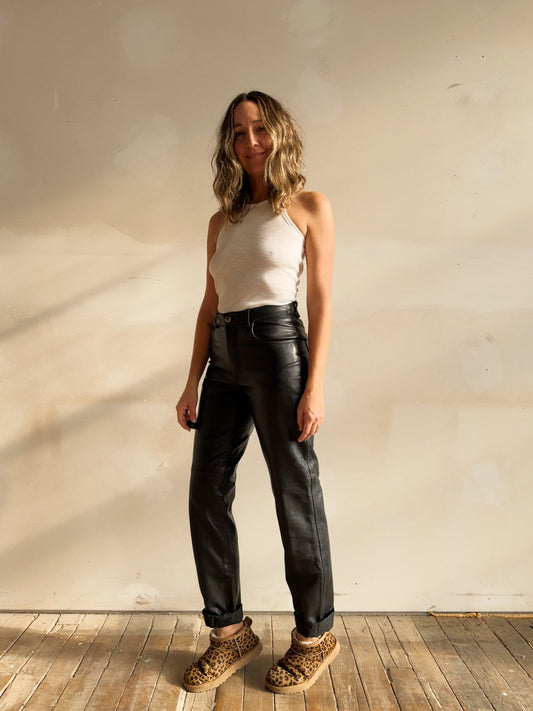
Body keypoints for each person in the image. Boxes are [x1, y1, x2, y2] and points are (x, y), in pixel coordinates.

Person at [176, 90, 338, 695]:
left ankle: (314, 636)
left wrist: (313, 386)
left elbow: (320, 300)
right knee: (206, 490)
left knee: (294, 490)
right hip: (223, 359)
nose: (251, 141)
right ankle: (229, 632)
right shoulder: (223, 221)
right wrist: (192, 380)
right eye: (239, 132)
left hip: (278, 352)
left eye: (260, 128)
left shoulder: (308, 206)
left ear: (280, 133)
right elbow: (209, 304)